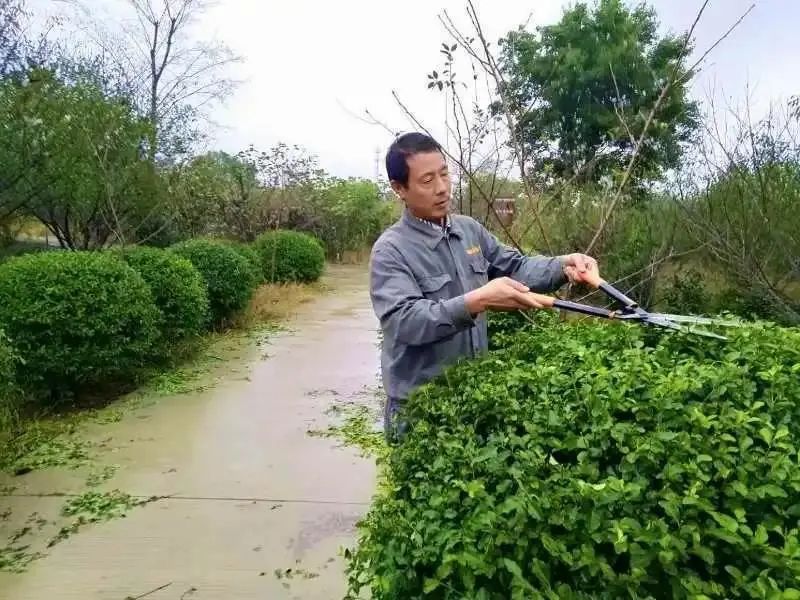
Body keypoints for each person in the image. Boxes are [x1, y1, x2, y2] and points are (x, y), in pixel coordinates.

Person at [369, 132, 599, 441]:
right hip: (420, 410)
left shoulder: (468, 230)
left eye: (444, 174)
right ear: (400, 189)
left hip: (472, 398)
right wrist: (477, 301)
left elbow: (516, 267)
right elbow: (405, 321)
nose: (441, 188)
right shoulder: (391, 250)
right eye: (427, 181)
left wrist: (563, 264)